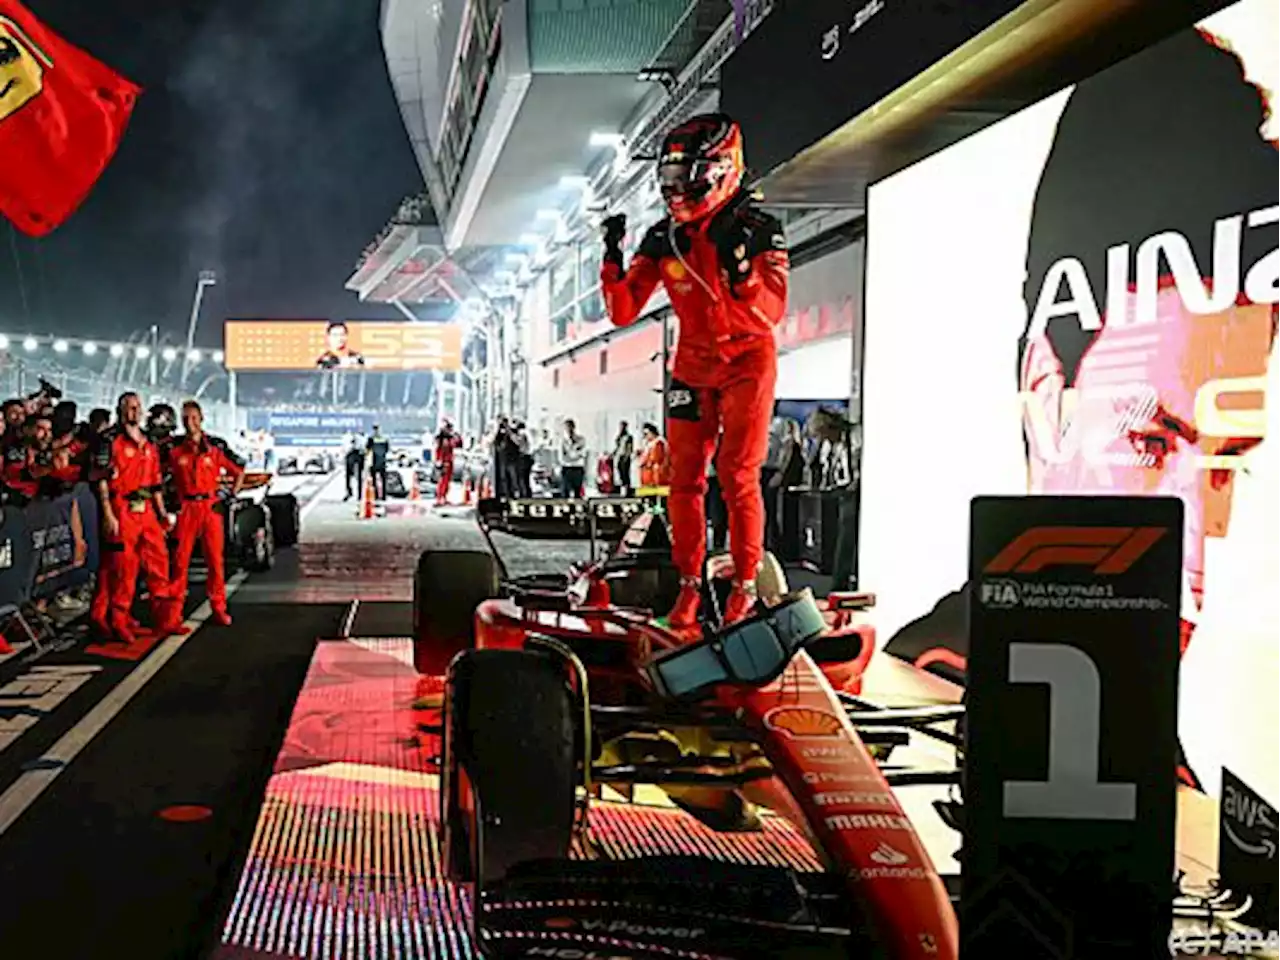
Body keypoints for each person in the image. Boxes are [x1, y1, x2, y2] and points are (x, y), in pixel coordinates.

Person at [601, 112, 789, 627]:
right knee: (683, 481)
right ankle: (688, 586)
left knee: (737, 474)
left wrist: (743, 274)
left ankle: (744, 587)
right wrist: (612, 257)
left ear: (722, 169)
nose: (678, 191)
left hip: (748, 362)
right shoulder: (663, 237)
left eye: (688, 179)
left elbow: (768, 314)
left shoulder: (758, 228)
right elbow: (622, 310)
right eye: (670, 180)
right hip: (691, 365)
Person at [90, 392, 185, 645]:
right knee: (124, 569)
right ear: (120, 411)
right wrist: (108, 513)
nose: (133, 412)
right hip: (122, 508)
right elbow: (100, 479)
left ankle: (165, 618)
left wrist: (163, 514)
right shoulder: (109, 440)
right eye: (128, 408)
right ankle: (119, 620)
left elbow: (155, 483)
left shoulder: (149, 443)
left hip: (147, 512)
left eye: (136, 407)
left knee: (159, 562)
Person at [167, 401, 245, 626]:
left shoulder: (214, 449)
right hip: (186, 508)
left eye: (193, 418)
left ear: (201, 419)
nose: (189, 423)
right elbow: (158, 476)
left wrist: (230, 496)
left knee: (215, 562)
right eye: (185, 419)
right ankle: (174, 614)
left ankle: (219, 608)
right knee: (180, 563)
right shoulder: (175, 451)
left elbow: (238, 471)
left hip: (210, 508)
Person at [434, 419, 461, 505]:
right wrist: (440, 461)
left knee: (447, 481)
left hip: (449, 461)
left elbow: (458, 444)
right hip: (444, 462)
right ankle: (440, 497)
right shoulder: (443, 440)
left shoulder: (450, 439)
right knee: (443, 480)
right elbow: (439, 451)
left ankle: (444, 497)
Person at [559, 419, 587, 497]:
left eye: (570, 427)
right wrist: (573, 454)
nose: (568, 429)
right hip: (567, 467)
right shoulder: (563, 441)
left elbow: (582, 454)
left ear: (574, 427)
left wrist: (571, 455)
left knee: (577, 492)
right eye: (566, 427)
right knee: (565, 492)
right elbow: (562, 456)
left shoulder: (581, 439)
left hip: (577, 467)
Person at [638, 422, 670, 488]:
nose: (645, 436)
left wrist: (647, 462)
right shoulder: (649, 443)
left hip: (655, 471)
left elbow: (656, 456)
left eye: (646, 434)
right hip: (649, 471)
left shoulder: (658, 442)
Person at [366, 424, 390, 500]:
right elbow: (387, 449)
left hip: (375, 461)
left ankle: (376, 496)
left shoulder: (371, 438)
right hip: (382, 461)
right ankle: (383, 496)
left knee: (375, 480)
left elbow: (368, 449)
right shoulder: (385, 438)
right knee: (382, 479)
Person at [613, 421, 635, 496]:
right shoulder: (620, 436)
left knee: (626, 473)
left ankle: (628, 490)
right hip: (620, 456)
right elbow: (617, 447)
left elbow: (629, 448)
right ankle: (622, 488)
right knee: (620, 472)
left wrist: (627, 456)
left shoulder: (629, 437)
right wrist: (614, 453)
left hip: (625, 456)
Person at [343, 430, 365, 500]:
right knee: (353, 476)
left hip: (356, 454)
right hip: (356, 455)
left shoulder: (358, 438)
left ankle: (356, 493)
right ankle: (355, 493)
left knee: (354, 476)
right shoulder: (358, 438)